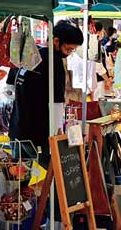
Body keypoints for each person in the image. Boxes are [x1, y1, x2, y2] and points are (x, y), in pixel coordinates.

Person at [7, 20, 83, 162]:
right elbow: (56, 102)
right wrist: (56, 132)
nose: (69, 53)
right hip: (38, 135)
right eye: (68, 49)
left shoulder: (31, 54)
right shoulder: (53, 62)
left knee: (19, 179)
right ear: (56, 41)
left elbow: (10, 87)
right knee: (41, 180)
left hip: (17, 129)